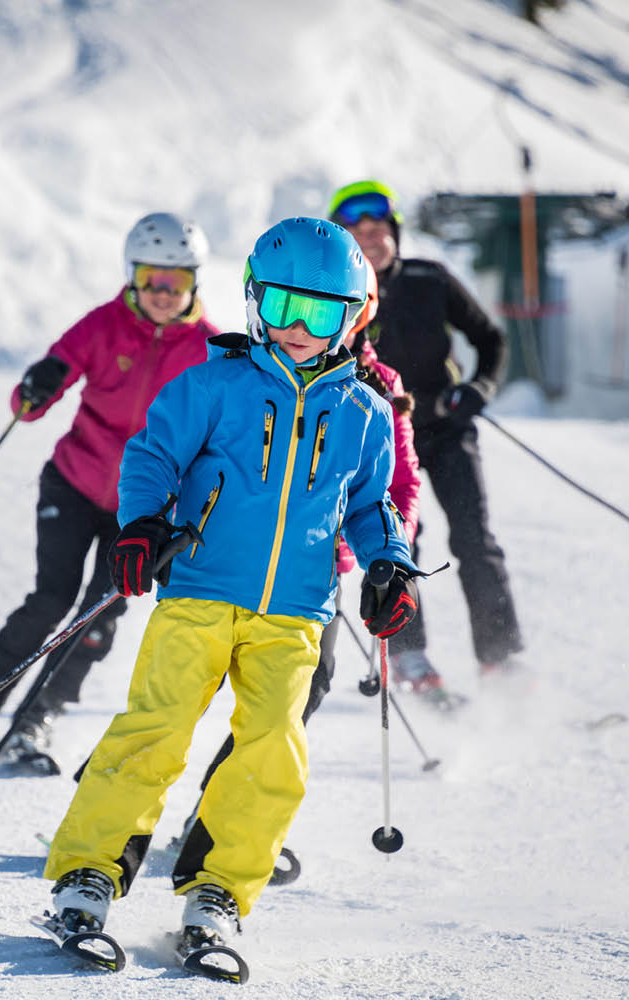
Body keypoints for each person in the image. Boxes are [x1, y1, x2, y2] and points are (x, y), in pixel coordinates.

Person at [41, 217, 421, 957]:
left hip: (295, 612)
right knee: (155, 731)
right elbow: (151, 455)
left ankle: (219, 887)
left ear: (352, 317)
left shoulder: (366, 413)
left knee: (273, 749)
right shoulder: (213, 385)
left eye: (320, 313)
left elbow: (377, 506)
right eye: (283, 308)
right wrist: (143, 523)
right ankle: (88, 874)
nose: (299, 329)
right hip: (201, 592)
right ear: (255, 303)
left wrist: (388, 564)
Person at [0, 212, 221, 776]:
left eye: (177, 282)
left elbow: (218, 429)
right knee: (51, 598)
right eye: (152, 279)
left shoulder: (208, 350)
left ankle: (39, 716)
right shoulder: (104, 324)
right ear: (132, 276)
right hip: (76, 480)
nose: (163, 294)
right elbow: (32, 400)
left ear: (195, 284)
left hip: (142, 507)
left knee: (100, 613)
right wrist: (35, 390)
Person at [328, 180, 523, 686]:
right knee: (399, 540)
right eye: (357, 230)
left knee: (475, 539)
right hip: (386, 434)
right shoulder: (337, 297)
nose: (370, 237)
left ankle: (501, 660)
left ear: (395, 233)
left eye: (379, 227)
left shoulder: (429, 279)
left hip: (445, 425)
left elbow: (490, 338)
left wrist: (480, 386)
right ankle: (411, 657)